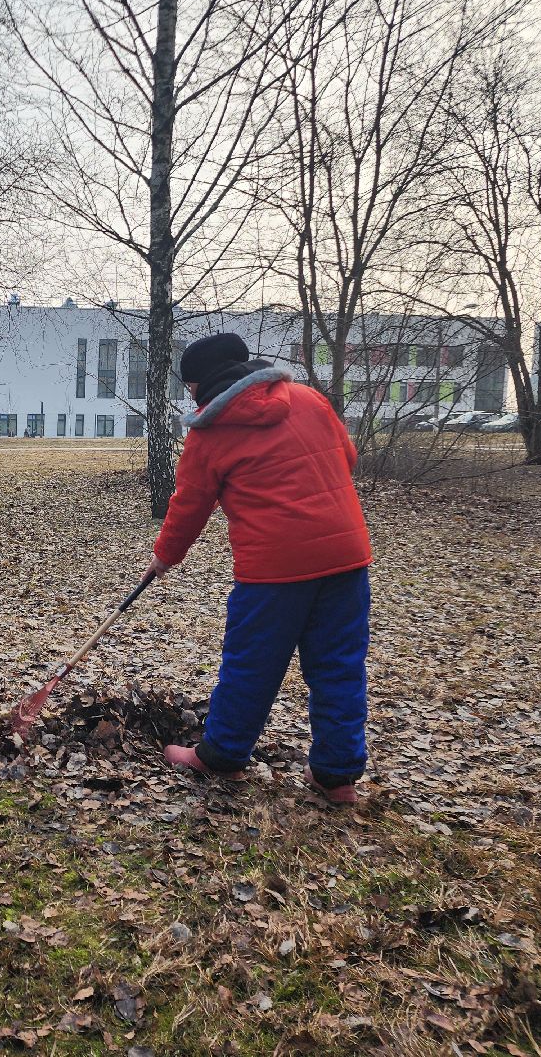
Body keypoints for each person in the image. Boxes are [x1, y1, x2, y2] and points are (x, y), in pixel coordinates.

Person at [148, 331, 373, 806]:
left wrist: (164, 557)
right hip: (346, 557)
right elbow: (347, 457)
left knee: (251, 665)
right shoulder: (308, 399)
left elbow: (189, 505)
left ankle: (222, 755)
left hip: (274, 569)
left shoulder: (211, 430)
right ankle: (337, 777)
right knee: (339, 667)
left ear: (198, 384)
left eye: (189, 387)